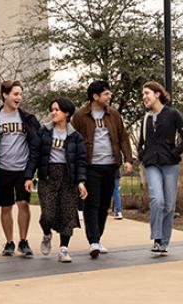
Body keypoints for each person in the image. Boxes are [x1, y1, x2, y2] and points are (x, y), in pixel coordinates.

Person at [71, 80, 133, 258]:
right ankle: (93, 241)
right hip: (91, 166)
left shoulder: (113, 114)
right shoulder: (81, 116)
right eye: (106, 94)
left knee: (104, 205)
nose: (110, 96)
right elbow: (74, 140)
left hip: (110, 165)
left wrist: (128, 159)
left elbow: (123, 137)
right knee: (92, 203)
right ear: (95, 96)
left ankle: (97, 237)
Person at [24, 97, 88, 263]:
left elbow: (81, 161)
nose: (53, 112)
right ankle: (47, 234)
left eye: (57, 110)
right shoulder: (44, 132)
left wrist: (81, 182)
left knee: (68, 214)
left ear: (66, 113)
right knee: (48, 214)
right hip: (48, 176)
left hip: (69, 178)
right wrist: (29, 176)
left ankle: (63, 249)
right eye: (52, 109)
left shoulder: (75, 136)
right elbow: (34, 155)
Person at [137, 81, 183, 255]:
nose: (144, 97)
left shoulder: (173, 114)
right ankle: (156, 237)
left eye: (147, 93)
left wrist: (174, 154)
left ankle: (164, 242)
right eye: (143, 94)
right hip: (152, 164)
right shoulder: (145, 118)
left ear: (157, 94)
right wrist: (143, 156)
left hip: (170, 164)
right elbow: (141, 143)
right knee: (157, 200)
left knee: (169, 205)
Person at [0, 80, 41, 257]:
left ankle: (23, 241)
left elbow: (38, 143)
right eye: (15, 94)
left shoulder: (28, 118)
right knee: (6, 207)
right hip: (2, 169)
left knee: (23, 203)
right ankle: (9, 242)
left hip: (23, 169)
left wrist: (33, 168)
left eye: (20, 94)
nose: (19, 97)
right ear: (5, 95)